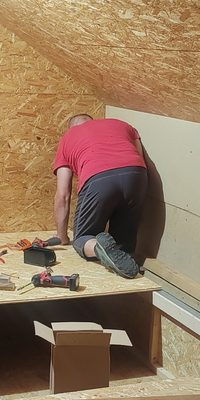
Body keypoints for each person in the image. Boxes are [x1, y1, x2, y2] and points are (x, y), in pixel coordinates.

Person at [53, 114, 147, 278]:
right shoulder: (122, 124)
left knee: (83, 238)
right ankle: (123, 268)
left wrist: (62, 236)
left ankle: (99, 248)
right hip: (137, 175)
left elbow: (63, 195)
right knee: (122, 242)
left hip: (99, 178)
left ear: (72, 127)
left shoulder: (69, 136)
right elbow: (139, 157)